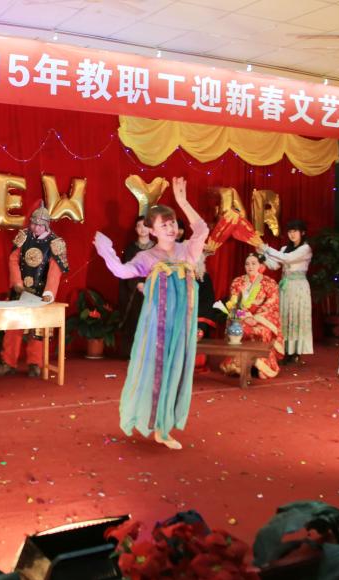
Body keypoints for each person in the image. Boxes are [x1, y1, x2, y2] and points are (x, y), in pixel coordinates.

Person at [93, 176, 209, 450]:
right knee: (157, 371)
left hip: (182, 325)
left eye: (172, 223)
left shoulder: (187, 251)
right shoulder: (147, 258)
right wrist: (106, 251)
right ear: (152, 230)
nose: (170, 228)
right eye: (163, 225)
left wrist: (183, 202)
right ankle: (158, 427)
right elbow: (122, 271)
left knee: (177, 372)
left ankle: (164, 426)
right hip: (158, 326)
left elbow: (202, 229)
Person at [0, 206, 69, 378]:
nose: (35, 228)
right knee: (13, 326)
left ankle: (35, 363)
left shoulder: (55, 243)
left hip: (40, 292)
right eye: (33, 224)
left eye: (39, 225)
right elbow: (13, 259)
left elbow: (55, 270)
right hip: (20, 291)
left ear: (46, 226)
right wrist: (17, 282)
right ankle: (8, 362)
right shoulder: (24, 236)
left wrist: (49, 293)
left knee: (38, 330)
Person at [219, 254, 284, 379]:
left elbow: (272, 303)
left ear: (260, 266)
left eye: (254, 263)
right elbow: (234, 303)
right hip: (242, 317)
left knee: (263, 331)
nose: (250, 266)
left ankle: (261, 365)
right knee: (239, 329)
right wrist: (245, 316)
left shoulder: (269, 283)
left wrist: (256, 318)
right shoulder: (237, 282)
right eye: (247, 264)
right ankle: (238, 364)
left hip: (261, 318)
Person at [259, 219, 313, 363]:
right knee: (284, 316)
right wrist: (263, 256)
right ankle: (284, 350)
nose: (292, 234)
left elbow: (287, 259)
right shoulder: (284, 248)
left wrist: (266, 248)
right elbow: (275, 265)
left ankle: (295, 352)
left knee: (296, 317)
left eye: (295, 231)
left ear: (302, 233)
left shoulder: (305, 249)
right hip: (285, 286)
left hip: (299, 287)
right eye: (289, 231)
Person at [117, 215, 154, 358]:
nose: (143, 229)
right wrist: (137, 283)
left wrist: (149, 284)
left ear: (151, 228)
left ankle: (149, 355)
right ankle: (132, 355)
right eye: (139, 226)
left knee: (151, 322)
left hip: (152, 290)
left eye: (145, 226)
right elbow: (128, 268)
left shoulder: (157, 248)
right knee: (134, 321)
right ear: (135, 229)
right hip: (134, 291)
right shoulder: (131, 248)